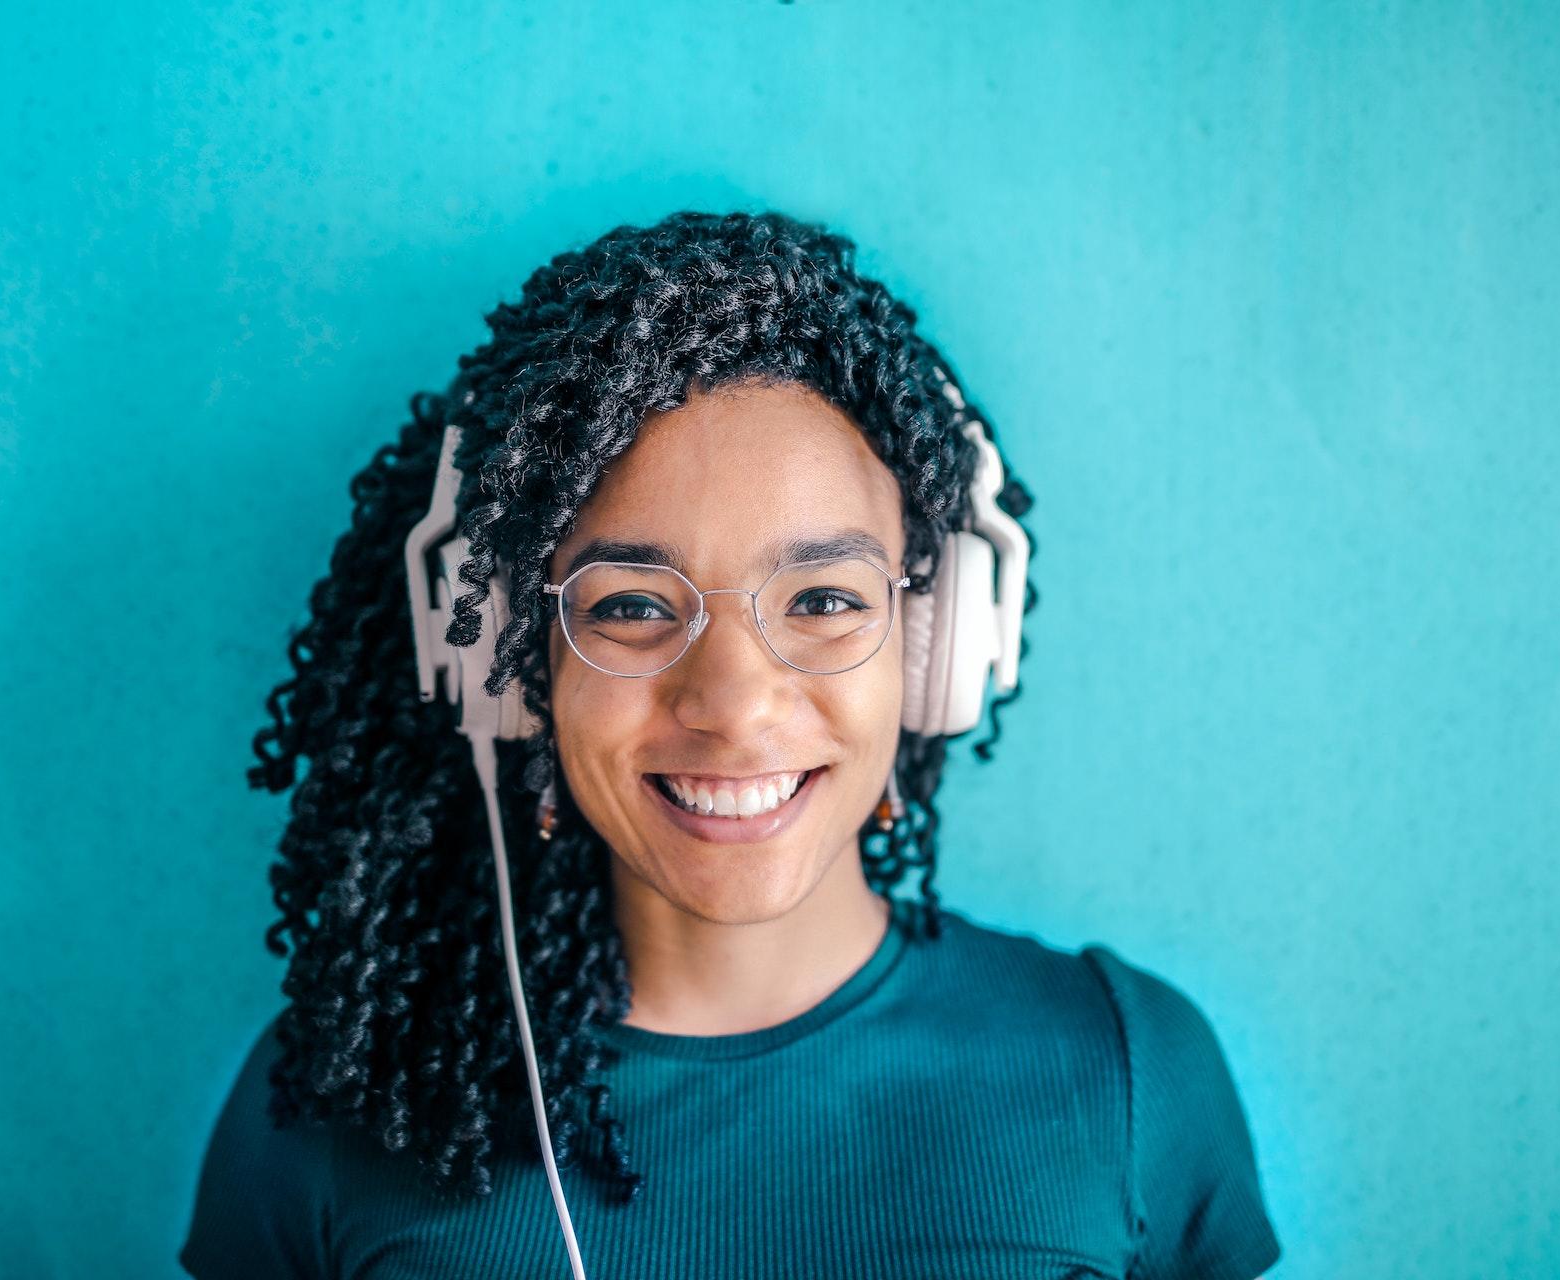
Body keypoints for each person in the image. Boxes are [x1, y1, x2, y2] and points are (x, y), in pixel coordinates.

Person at [179, 209, 1283, 1280]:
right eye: (629, 607)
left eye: (824, 598)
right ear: (505, 668)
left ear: (938, 643)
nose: (735, 703)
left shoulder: (1128, 1069)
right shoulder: (338, 1101)